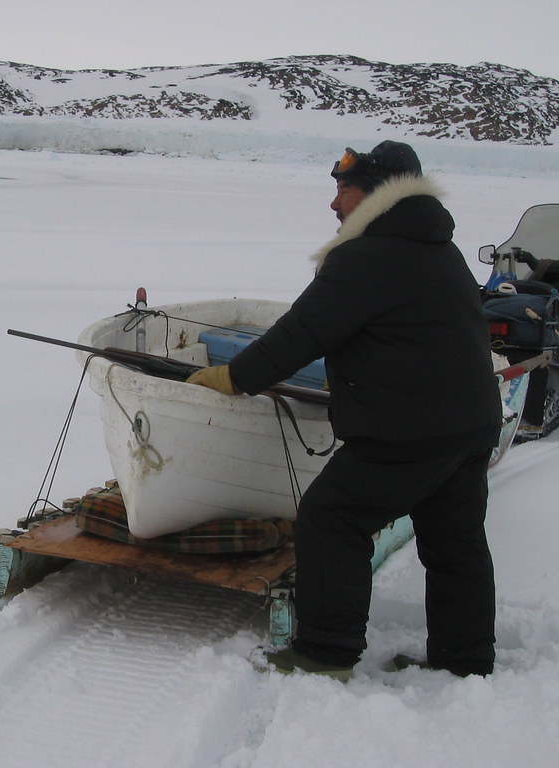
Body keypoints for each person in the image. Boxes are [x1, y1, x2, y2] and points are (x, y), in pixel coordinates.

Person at [187, 140, 500, 680]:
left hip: (405, 433)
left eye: (344, 189)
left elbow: (301, 333)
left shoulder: (366, 256)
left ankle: (324, 653)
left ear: (376, 193)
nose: (335, 204)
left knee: (332, 519)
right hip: (468, 427)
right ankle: (465, 660)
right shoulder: (438, 246)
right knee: (456, 545)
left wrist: (233, 376)